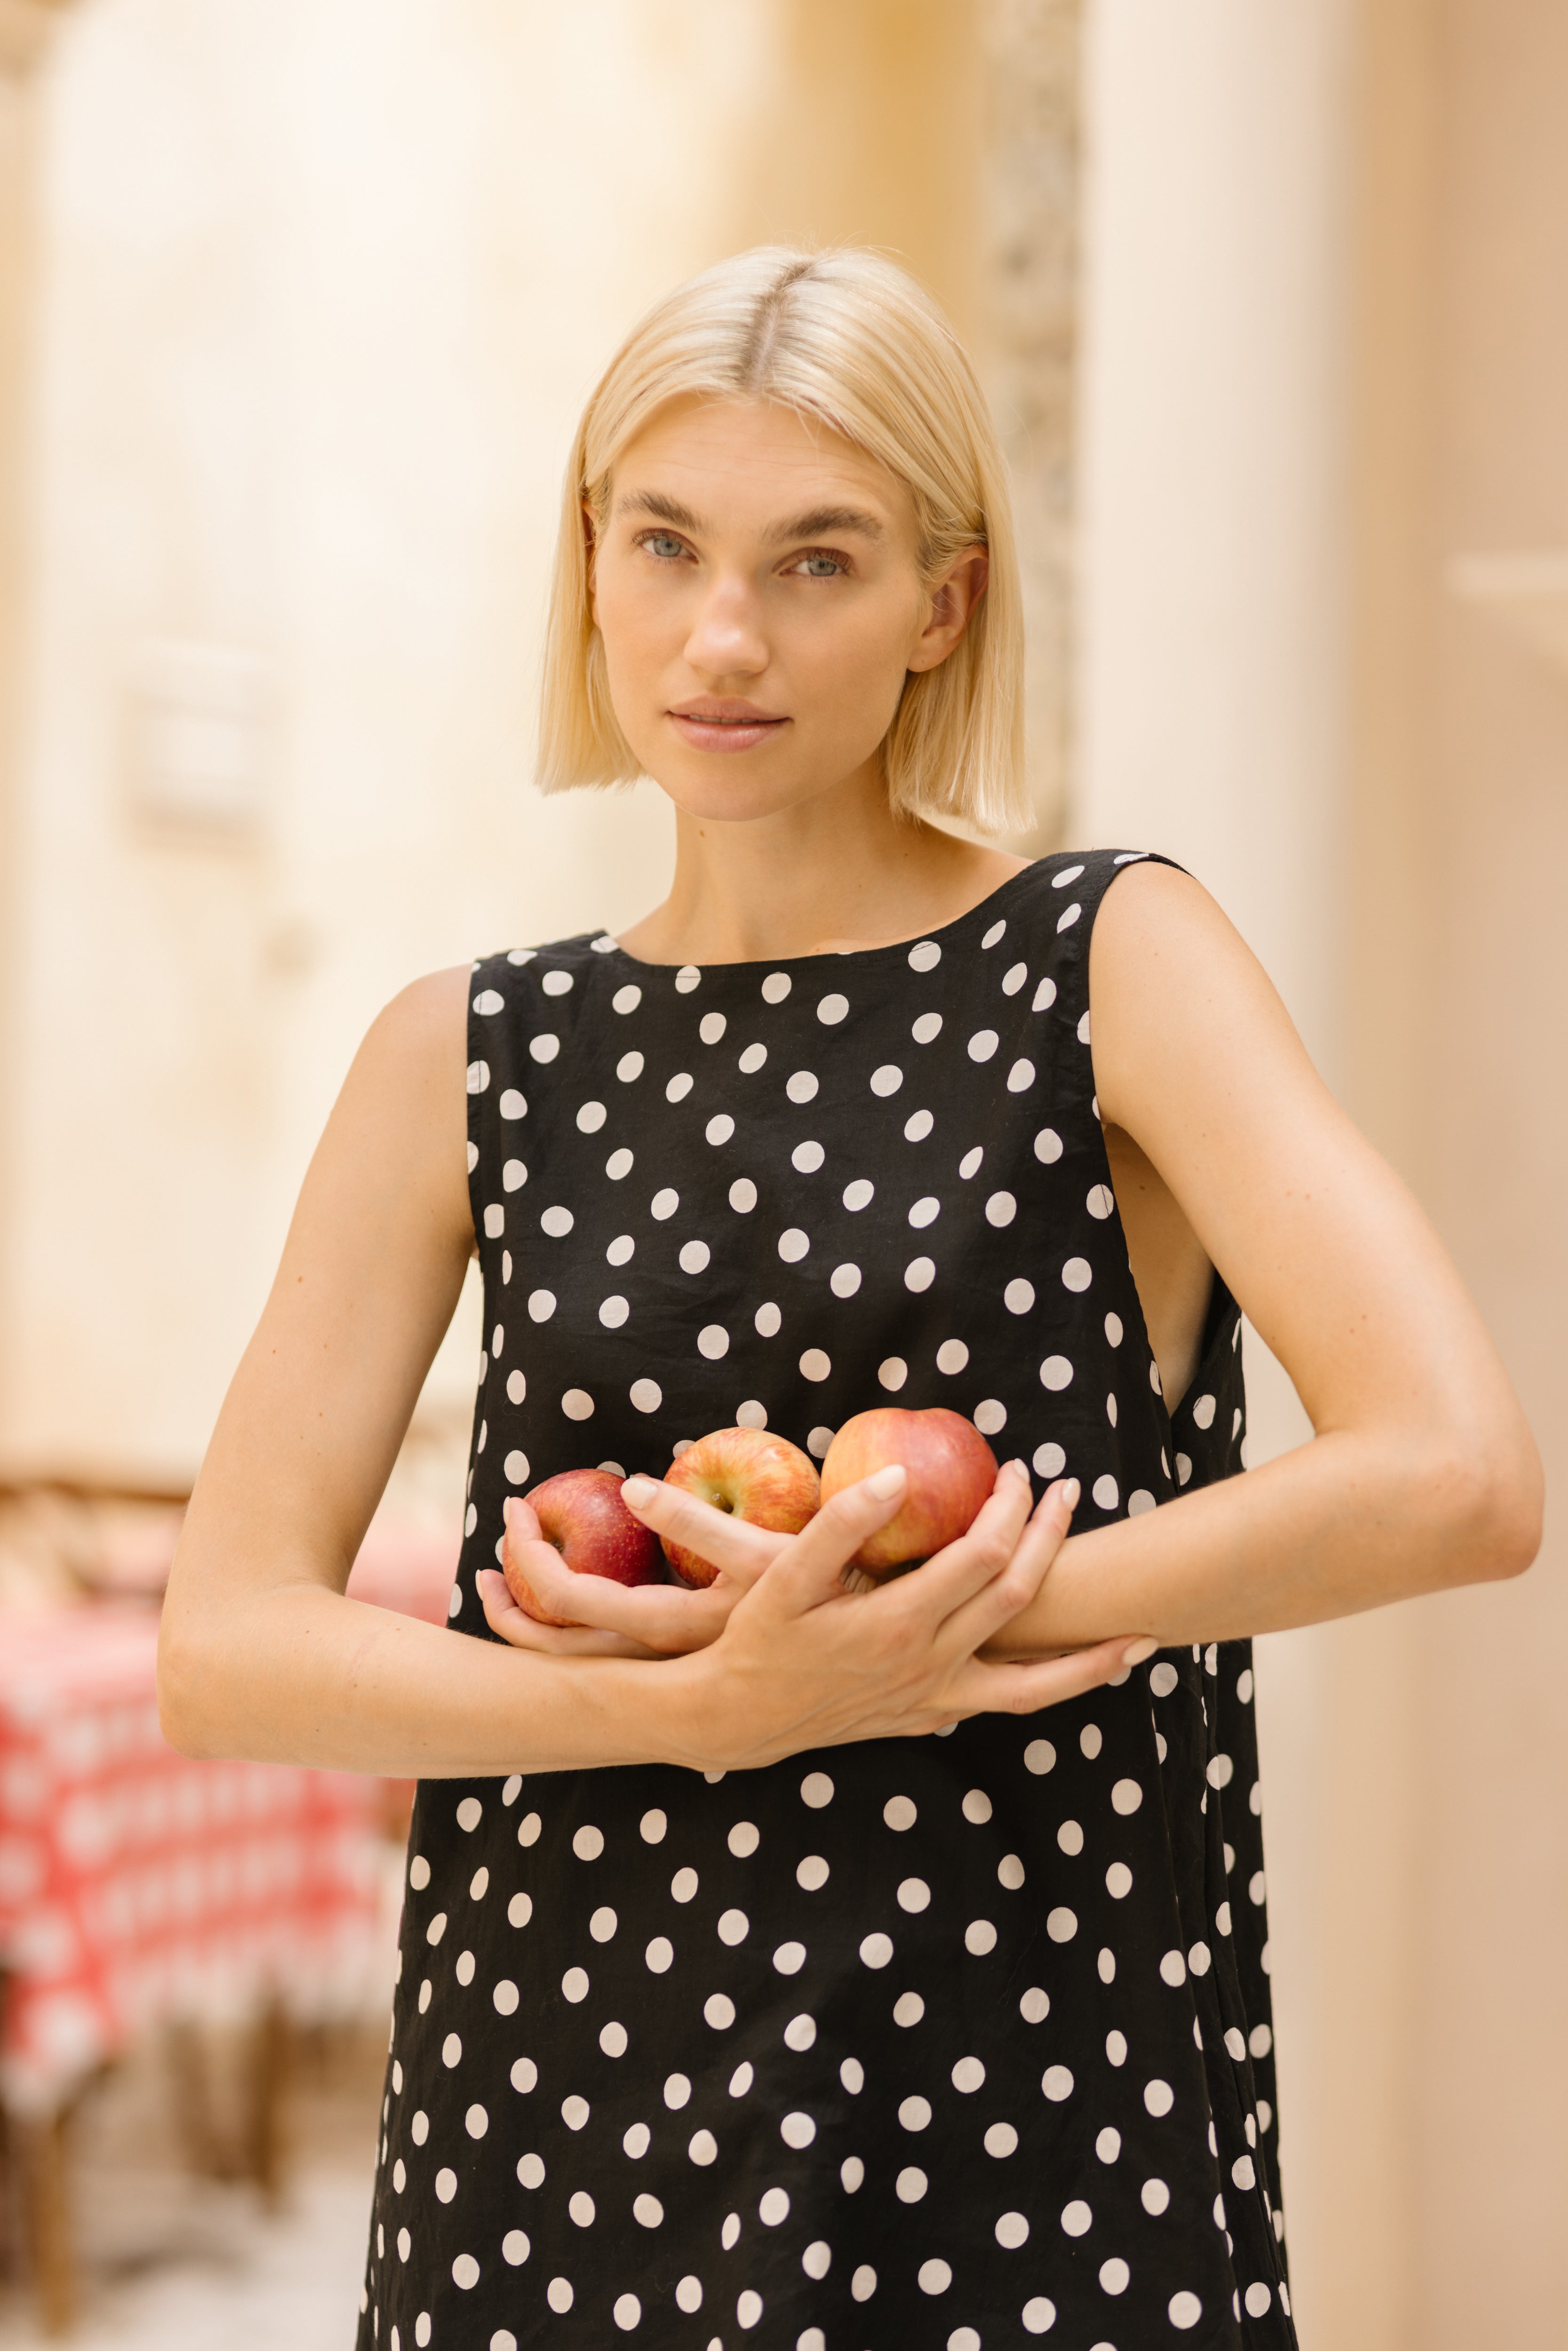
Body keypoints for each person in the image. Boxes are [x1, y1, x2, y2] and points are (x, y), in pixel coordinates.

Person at [159, 246, 1540, 2351]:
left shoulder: (1108, 962)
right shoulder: (461, 1051)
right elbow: (228, 1651)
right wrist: (678, 1709)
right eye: (668, 545)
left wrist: (914, 1638)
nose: (726, 633)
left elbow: (1457, 1470)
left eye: (820, 559)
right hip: (556, 2112)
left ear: (943, 604)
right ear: (594, 567)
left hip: (1023, 2113)